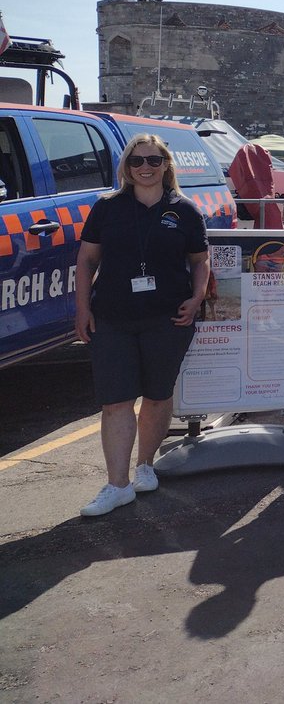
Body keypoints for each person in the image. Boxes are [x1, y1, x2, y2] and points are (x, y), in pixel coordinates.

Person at [74, 134, 210, 516]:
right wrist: (82, 309)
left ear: (166, 164)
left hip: (167, 318)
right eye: (138, 162)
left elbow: (200, 260)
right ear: (127, 168)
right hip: (112, 318)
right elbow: (86, 262)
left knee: (157, 394)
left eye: (154, 161)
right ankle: (117, 485)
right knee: (115, 401)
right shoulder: (107, 208)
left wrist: (197, 297)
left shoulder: (184, 210)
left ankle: (145, 465)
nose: (146, 168)